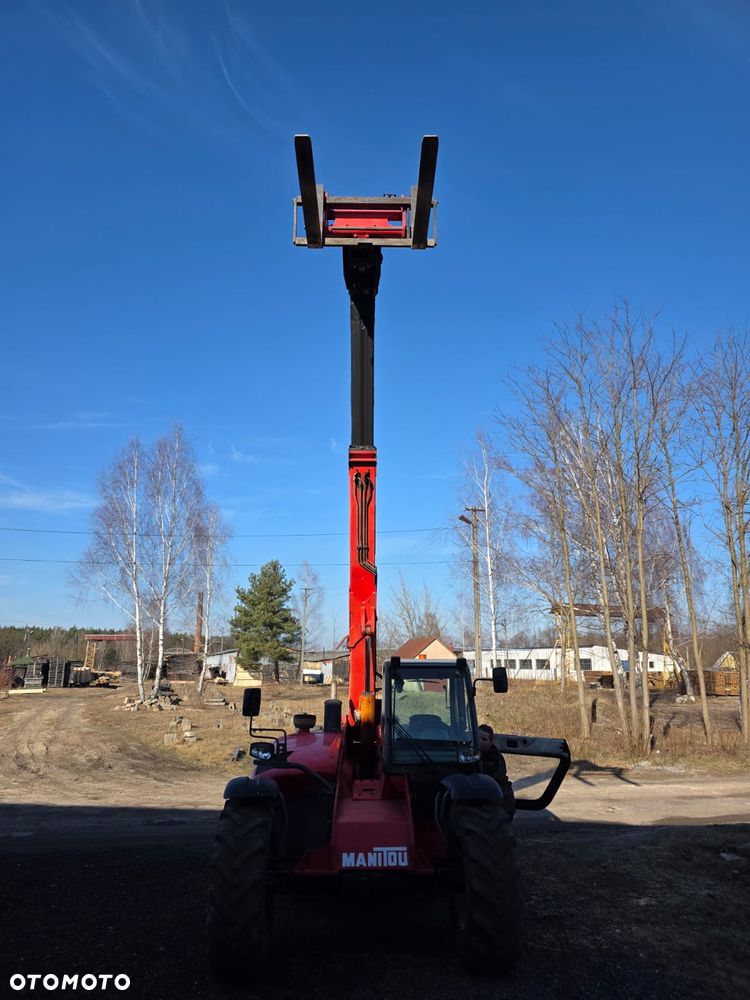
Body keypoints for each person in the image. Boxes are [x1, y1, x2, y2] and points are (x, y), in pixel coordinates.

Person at [478, 723, 515, 814]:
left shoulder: (496, 759)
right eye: (477, 738)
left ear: (490, 742)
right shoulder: (467, 754)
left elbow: (495, 779)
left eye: (484, 739)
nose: (480, 742)